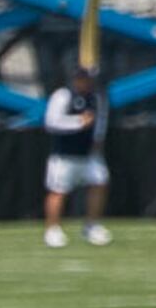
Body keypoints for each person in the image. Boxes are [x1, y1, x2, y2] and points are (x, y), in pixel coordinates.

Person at [41, 61, 111, 247]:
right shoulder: (62, 96)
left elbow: (101, 121)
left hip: (89, 154)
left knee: (99, 183)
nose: (86, 83)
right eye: (83, 79)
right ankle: (52, 229)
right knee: (58, 191)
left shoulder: (97, 97)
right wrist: (78, 123)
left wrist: (97, 140)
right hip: (64, 155)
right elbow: (51, 122)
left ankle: (92, 226)